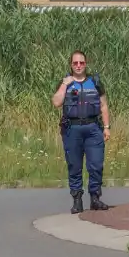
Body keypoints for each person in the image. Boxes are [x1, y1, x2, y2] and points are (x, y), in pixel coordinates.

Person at [51, 50, 111, 214]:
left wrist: (106, 127)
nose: (78, 66)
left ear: (86, 64)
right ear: (71, 65)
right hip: (72, 129)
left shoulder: (95, 82)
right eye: (75, 63)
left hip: (93, 129)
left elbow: (104, 105)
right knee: (75, 166)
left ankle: (95, 198)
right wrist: (64, 84)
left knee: (96, 165)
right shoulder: (65, 83)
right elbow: (56, 102)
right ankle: (77, 200)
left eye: (81, 63)